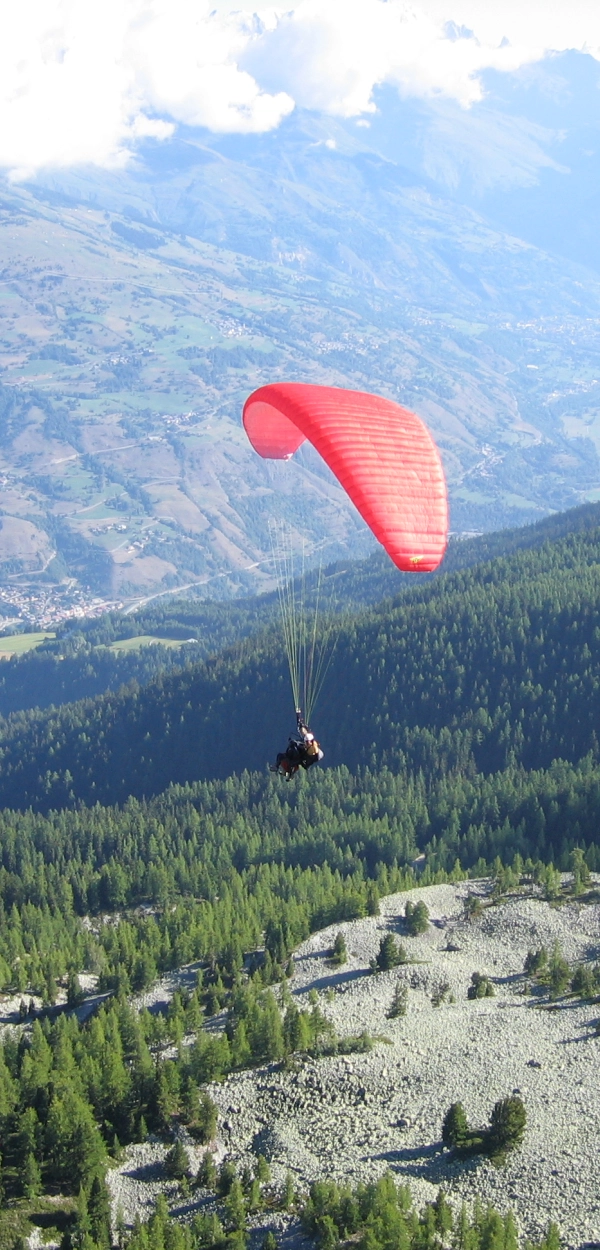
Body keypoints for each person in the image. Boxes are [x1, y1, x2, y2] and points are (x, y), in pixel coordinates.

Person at [270, 709, 324, 778]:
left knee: (292, 753)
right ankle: (282, 768)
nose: (306, 743)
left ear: (311, 742)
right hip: (303, 756)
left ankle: (288, 771)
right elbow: (303, 732)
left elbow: (308, 750)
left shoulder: (313, 749)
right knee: (283, 754)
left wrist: (300, 745)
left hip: (304, 759)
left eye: (307, 742)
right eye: (306, 742)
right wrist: (298, 717)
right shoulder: (309, 741)